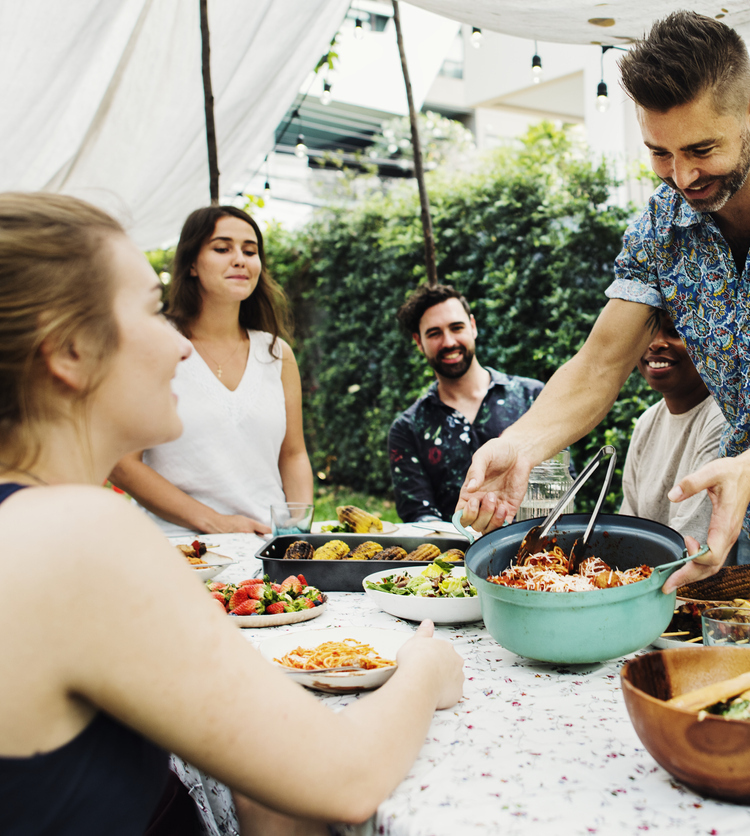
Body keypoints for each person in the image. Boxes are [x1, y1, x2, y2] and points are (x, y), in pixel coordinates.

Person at [0, 192, 464, 829]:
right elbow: (341, 776)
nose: (181, 348)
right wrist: (427, 669)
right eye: (148, 311)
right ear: (70, 351)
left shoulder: (29, 524)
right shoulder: (77, 536)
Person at [456, 12, 750, 613]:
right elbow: (599, 364)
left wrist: (749, 465)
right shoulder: (659, 227)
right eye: (659, 153)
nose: (682, 176)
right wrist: (522, 444)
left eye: (701, 149)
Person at [108, 206, 312, 536]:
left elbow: (293, 454)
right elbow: (121, 463)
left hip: (266, 546)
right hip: (179, 549)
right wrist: (213, 522)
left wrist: (296, 529)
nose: (240, 260)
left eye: (250, 251)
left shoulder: (276, 353)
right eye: (222, 248)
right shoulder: (154, 342)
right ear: (191, 264)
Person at [389, 283, 543, 523]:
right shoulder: (407, 428)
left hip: (536, 552)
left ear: (472, 326)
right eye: (434, 333)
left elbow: (562, 482)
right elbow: (419, 517)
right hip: (452, 557)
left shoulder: (532, 396)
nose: (449, 342)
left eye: (456, 327)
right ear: (418, 342)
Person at [619, 310, 725, 544]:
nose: (655, 344)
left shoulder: (722, 418)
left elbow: (691, 541)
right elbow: (627, 524)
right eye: (646, 332)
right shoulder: (646, 423)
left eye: (675, 331)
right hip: (644, 573)